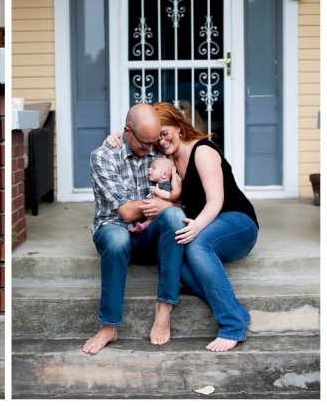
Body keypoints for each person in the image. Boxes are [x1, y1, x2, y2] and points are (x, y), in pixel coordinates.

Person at [144, 102, 258, 352]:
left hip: (236, 221)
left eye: (165, 133)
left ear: (178, 126)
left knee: (196, 246)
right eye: (157, 138)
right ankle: (236, 311)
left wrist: (196, 226)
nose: (162, 142)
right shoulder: (169, 161)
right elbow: (132, 137)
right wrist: (115, 138)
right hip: (206, 224)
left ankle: (231, 326)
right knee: (178, 264)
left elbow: (216, 200)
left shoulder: (202, 151)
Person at [85, 103, 187, 354]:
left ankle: (164, 311)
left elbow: (179, 200)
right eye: (145, 143)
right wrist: (158, 203)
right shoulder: (103, 156)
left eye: (154, 142)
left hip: (149, 233)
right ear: (127, 131)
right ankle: (109, 326)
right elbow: (126, 212)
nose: (151, 149)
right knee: (118, 240)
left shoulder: (159, 153)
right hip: (114, 228)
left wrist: (168, 203)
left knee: (174, 216)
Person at [128, 157, 180, 234]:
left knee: (151, 219)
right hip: (152, 210)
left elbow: (168, 195)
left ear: (164, 174)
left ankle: (144, 225)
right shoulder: (157, 184)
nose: (149, 169)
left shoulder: (165, 185)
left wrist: (157, 191)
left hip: (159, 213)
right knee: (139, 217)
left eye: (153, 168)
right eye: (150, 167)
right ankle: (138, 226)